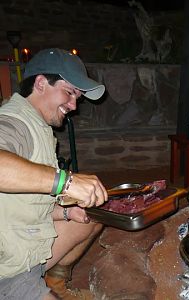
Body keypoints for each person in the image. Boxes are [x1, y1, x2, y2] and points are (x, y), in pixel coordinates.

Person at [0, 48, 108, 300]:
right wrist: (66, 182)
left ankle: (54, 282)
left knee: (93, 216)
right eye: (69, 92)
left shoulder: (39, 125)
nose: (73, 105)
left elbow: (25, 202)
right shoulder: (14, 122)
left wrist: (67, 211)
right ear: (40, 83)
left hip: (26, 247)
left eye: (77, 97)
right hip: (8, 272)